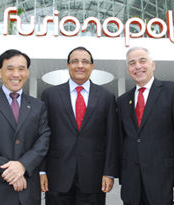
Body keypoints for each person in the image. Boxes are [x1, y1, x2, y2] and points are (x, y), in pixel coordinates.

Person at [0, 49, 50, 205]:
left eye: (21, 69)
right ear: (0, 72)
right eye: (10, 68)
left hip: (28, 190)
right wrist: (11, 173)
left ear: (27, 72)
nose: (16, 74)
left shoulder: (38, 106)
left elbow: (43, 139)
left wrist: (23, 165)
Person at [117, 46, 174, 205]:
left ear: (152, 65)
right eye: (132, 63)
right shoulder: (123, 101)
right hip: (132, 188)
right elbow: (121, 142)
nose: (138, 66)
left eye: (142, 61)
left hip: (166, 186)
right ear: (128, 69)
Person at [40, 46, 119, 205]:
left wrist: (109, 172)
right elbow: (42, 135)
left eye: (85, 61)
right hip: (57, 175)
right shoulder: (50, 95)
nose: (80, 65)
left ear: (92, 66)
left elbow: (112, 137)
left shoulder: (107, 97)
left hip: (94, 176)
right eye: (75, 61)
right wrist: (42, 170)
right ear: (68, 65)